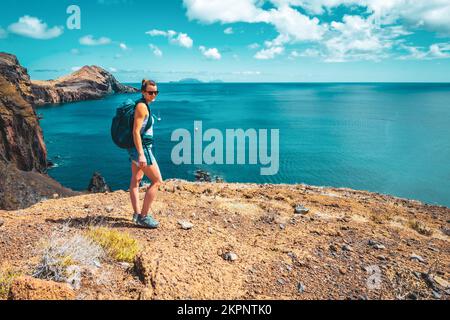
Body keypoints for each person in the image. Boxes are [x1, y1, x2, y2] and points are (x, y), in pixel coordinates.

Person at [128, 79, 163, 229]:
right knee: (157, 181)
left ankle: (136, 214)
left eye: (156, 92)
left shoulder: (143, 104)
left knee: (136, 180)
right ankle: (143, 217)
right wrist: (141, 154)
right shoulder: (142, 107)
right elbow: (135, 131)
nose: (153, 94)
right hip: (142, 149)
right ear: (143, 92)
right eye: (150, 92)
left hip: (135, 148)